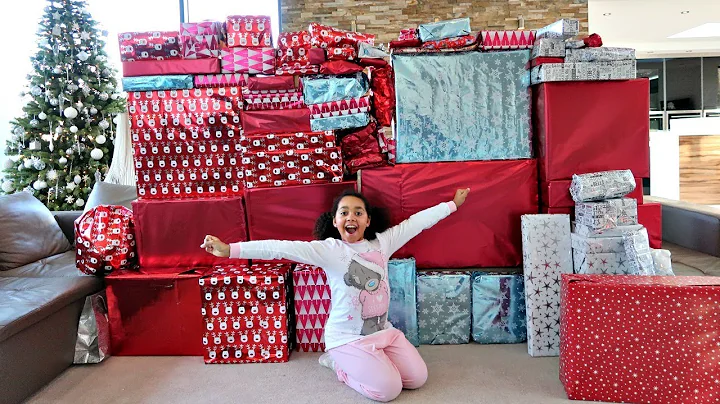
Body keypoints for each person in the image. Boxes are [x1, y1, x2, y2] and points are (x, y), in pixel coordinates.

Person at [201, 187, 470, 402]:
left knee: (417, 379)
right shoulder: (329, 250)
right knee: (388, 391)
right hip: (347, 338)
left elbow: (416, 223)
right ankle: (339, 366)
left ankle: (371, 359)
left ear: (368, 220)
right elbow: (279, 248)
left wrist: (452, 205)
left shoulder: (383, 243)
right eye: (344, 212)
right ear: (334, 221)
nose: (351, 217)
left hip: (382, 331)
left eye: (358, 212)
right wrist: (230, 250)